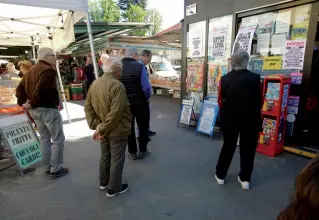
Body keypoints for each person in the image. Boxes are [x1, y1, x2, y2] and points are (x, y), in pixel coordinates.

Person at [16, 47, 69, 178]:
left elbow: (19, 89)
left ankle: (48, 167)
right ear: (46, 57)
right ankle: (56, 168)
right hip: (47, 109)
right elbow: (42, 89)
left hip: (36, 110)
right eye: (53, 55)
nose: (55, 58)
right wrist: (30, 102)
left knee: (45, 139)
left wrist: (24, 102)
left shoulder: (30, 71)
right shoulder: (48, 70)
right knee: (57, 139)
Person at [214, 50, 262, 190]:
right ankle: (245, 179)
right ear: (246, 62)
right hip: (251, 120)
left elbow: (220, 102)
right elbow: (260, 101)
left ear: (232, 62)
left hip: (230, 119)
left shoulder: (224, 79)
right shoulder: (256, 78)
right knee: (249, 149)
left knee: (228, 146)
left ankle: (220, 175)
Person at [84, 57, 131, 198]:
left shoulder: (95, 84)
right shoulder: (117, 85)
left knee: (105, 155)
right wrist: (101, 128)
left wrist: (97, 126)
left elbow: (88, 107)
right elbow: (116, 112)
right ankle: (114, 188)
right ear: (117, 70)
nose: (121, 72)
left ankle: (103, 182)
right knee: (117, 158)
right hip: (117, 129)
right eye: (121, 70)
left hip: (103, 129)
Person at [121, 47, 152, 160]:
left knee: (129, 128)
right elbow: (146, 87)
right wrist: (147, 98)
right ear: (134, 55)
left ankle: (132, 152)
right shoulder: (140, 67)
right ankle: (143, 150)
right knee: (143, 126)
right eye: (137, 55)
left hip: (125, 103)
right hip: (140, 102)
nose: (138, 57)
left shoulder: (118, 67)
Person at [138, 49, 156, 138]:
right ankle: (142, 135)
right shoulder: (140, 66)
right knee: (143, 117)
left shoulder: (142, 65)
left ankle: (146, 131)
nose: (150, 60)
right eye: (149, 58)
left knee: (144, 117)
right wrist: (147, 96)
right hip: (142, 97)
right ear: (145, 56)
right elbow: (145, 86)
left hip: (140, 96)